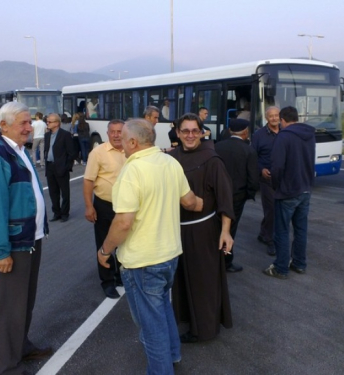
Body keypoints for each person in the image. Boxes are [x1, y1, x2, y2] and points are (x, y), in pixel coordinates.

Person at [98, 118, 202, 374]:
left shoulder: (131, 172)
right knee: (162, 308)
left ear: (133, 142)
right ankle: (173, 354)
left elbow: (123, 222)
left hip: (143, 261)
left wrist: (104, 250)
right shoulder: (169, 162)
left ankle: (161, 369)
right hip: (169, 254)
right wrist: (209, 204)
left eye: (122, 137)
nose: (119, 141)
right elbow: (189, 201)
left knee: (150, 325)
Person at [0, 102, 52, 375]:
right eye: (23, 123)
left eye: (30, 122)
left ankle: (22, 346)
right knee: (11, 307)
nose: (29, 127)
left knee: (25, 301)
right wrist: (2, 252)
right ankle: (8, 365)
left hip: (29, 238)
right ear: (4, 125)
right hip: (13, 245)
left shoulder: (16, 150)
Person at [169, 113, 235, 344]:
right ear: (177, 132)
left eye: (194, 131)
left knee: (203, 281)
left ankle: (204, 329)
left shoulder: (212, 160)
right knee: (181, 278)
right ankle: (189, 318)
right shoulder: (171, 158)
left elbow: (226, 199)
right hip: (176, 230)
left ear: (201, 132)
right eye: (185, 131)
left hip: (203, 230)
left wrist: (225, 231)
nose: (189, 135)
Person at [263, 106, 316, 279]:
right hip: (305, 188)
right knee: (301, 229)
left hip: (287, 190)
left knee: (282, 231)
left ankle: (280, 268)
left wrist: (276, 185)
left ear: (283, 120)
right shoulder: (309, 134)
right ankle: (299, 264)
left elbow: (277, 166)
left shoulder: (283, 136)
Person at [83, 119, 126, 299]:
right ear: (107, 134)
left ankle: (120, 276)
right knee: (104, 243)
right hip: (104, 205)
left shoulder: (132, 150)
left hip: (126, 207)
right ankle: (107, 282)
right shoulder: (98, 152)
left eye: (119, 131)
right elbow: (88, 180)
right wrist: (89, 206)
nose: (116, 135)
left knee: (124, 243)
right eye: (113, 131)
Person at [215, 118, 259, 272]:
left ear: (229, 131)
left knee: (215, 227)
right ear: (245, 132)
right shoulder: (249, 150)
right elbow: (253, 179)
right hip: (237, 197)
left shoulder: (218, 147)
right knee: (230, 230)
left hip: (217, 194)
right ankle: (226, 261)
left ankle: (213, 258)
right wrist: (249, 194)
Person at [251, 106, 280, 255]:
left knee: (277, 210)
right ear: (266, 118)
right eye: (271, 116)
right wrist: (261, 169)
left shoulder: (285, 132)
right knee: (272, 209)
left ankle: (263, 233)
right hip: (266, 179)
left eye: (276, 115)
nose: (274, 118)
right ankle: (271, 240)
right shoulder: (259, 135)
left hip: (282, 178)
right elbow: (252, 157)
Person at [44, 113, 76, 223]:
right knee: (53, 192)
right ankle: (56, 213)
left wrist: (67, 166)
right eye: (47, 121)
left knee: (65, 193)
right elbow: (47, 150)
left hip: (61, 167)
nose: (47, 123)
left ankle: (64, 213)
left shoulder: (65, 135)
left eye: (49, 121)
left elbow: (72, 153)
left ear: (57, 123)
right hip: (50, 167)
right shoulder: (47, 135)